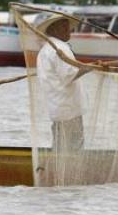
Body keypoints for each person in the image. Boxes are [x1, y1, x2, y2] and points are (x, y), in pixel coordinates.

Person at [36, 14, 85, 151]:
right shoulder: (59, 48)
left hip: (58, 109)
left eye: (67, 26)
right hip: (68, 110)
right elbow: (69, 74)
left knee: (60, 148)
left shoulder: (45, 50)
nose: (68, 29)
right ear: (54, 30)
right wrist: (88, 68)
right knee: (72, 151)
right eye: (64, 27)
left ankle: (58, 171)